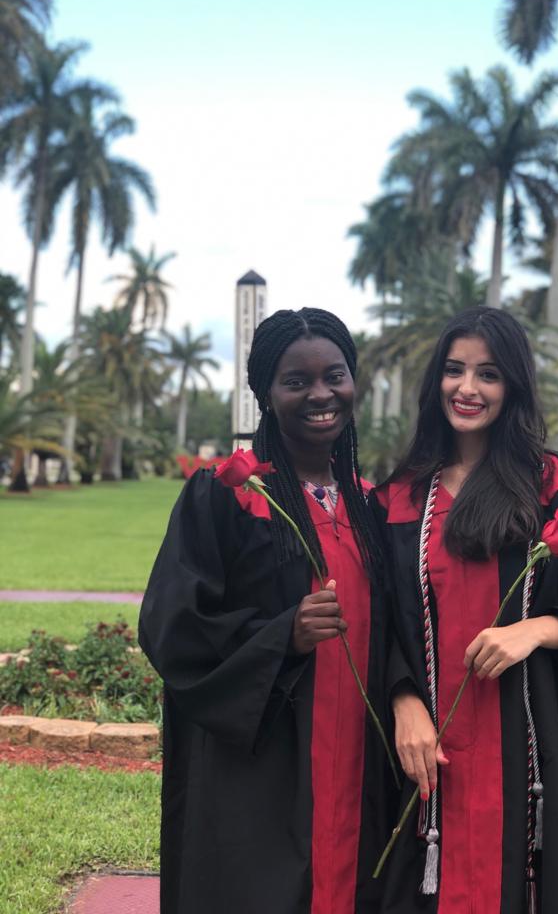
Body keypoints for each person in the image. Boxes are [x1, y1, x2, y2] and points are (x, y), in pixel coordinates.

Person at [371, 306, 558, 914]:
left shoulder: (555, 483)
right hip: (426, 743)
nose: (467, 388)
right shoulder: (399, 497)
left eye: (488, 374)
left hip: (528, 737)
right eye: (454, 370)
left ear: (513, 386)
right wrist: (403, 698)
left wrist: (537, 630)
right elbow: (382, 620)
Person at [139, 307, 390, 914]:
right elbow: (172, 627)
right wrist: (285, 635)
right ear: (265, 394)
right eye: (296, 381)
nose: (320, 394)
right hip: (262, 760)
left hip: (360, 753)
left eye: (335, 376)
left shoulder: (371, 508)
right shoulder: (225, 497)